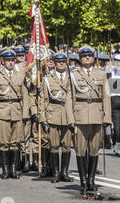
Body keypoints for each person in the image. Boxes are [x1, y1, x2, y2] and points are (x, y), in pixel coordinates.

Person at [66, 45, 112, 194]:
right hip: (79, 115)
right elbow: (69, 98)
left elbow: (106, 97)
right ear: (80, 58)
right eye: (84, 56)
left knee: (94, 149)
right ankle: (83, 180)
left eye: (89, 56)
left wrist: (107, 118)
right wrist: (70, 119)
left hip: (97, 115)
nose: (87, 58)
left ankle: (91, 179)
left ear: (93, 58)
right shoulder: (73, 75)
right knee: (80, 149)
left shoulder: (101, 74)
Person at [0, 49, 29, 179]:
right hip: (2, 110)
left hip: (17, 110)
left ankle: (13, 169)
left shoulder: (20, 74)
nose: (10, 63)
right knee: (4, 141)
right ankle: (5, 170)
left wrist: (25, 114)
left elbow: (25, 95)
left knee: (16, 141)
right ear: (2, 61)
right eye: (7, 60)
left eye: (12, 60)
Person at [39, 52, 73, 183]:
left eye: (63, 61)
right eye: (59, 61)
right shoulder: (47, 79)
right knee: (54, 145)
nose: (61, 63)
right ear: (54, 62)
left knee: (66, 146)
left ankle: (64, 172)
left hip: (68, 115)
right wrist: (43, 119)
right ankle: (56, 172)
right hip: (53, 114)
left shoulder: (71, 78)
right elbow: (43, 100)